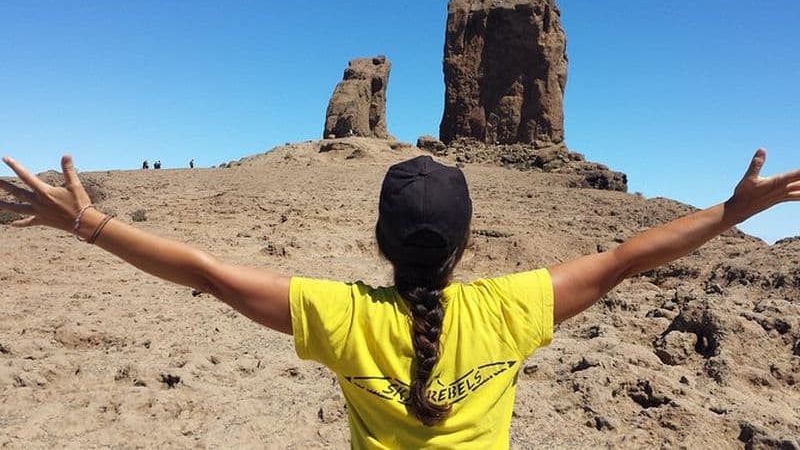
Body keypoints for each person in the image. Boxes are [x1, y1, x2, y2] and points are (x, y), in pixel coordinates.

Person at [0, 151, 798, 448]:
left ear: (378, 241)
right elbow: (627, 258)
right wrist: (734, 214)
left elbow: (206, 272)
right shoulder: (511, 308)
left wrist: (90, 223)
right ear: (469, 244)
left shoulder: (343, 316)